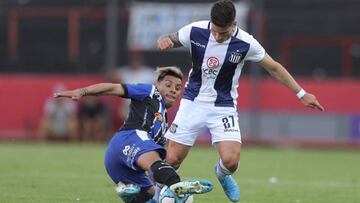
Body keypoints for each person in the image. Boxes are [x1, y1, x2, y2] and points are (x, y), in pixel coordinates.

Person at [157, 1, 324, 202]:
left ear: (234, 24)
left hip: (223, 106)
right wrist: (165, 39)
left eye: (224, 33)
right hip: (192, 102)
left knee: (231, 161)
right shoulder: (194, 30)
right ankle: (157, 197)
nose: (218, 37)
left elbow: (274, 67)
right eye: (216, 32)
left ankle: (222, 174)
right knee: (172, 159)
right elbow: (173, 39)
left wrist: (301, 93)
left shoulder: (246, 43)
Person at [54, 66, 213, 203]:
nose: (173, 89)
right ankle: (177, 185)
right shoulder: (150, 91)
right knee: (163, 176)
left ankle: (130, 196)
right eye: (168, 84)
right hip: (130, 138)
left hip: (119, 163)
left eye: (178, 88)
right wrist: (83, 91)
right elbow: (113, 88)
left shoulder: (163, 120)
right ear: (157, 85)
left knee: (155, 198)